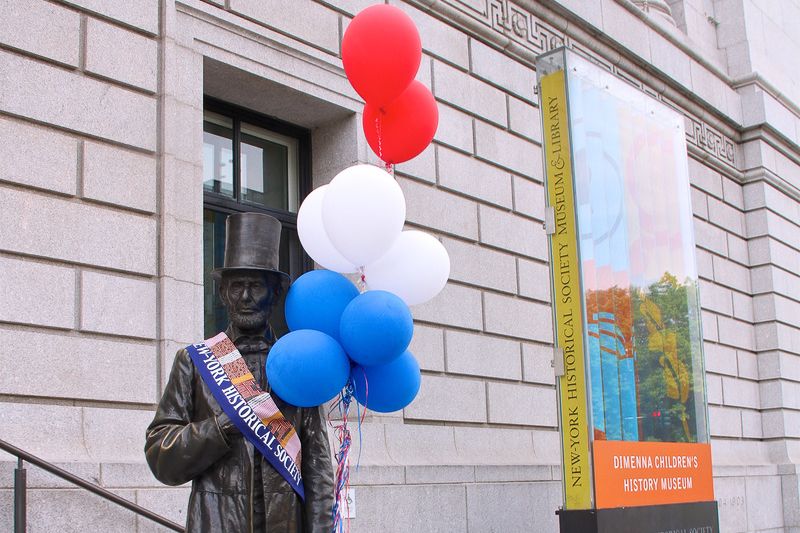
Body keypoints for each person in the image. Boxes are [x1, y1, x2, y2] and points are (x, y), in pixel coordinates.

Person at [145, 212, 334, 532]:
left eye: (256, 286)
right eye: (236, 287)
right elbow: (160, 455)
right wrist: (220, 426)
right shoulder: (193, 363)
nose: (245, 297)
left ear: (275, 294)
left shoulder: (297, 364)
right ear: (222, 294)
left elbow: (318, 472)